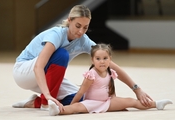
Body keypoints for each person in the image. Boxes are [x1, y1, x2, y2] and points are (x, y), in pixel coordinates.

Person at [13, 5, 154, 111]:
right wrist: (48, 96)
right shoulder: (56, 34)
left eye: (85, 28)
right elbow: (39, 66)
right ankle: (45, 102)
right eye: (78, 26)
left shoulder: (83, 40)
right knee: (61, 54)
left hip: (45, 75)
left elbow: (109, 64)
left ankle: (34, 102)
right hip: (24, 72)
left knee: (81, 98)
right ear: (69, 20)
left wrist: (137, 89)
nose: (81, 31)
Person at [48, 43, 173, 116]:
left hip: (107, 102)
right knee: (74, 108)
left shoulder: (110, 72)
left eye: (105, 58)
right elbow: (81, 92)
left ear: (110, 59)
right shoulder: (91, 74)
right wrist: (74, 104)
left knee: (131, 101)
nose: (102, 62)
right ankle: (57, 110)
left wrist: (117, 103)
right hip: (91, 103)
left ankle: (156, 104)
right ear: (92, 60)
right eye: (98, 59)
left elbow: (111, 89)